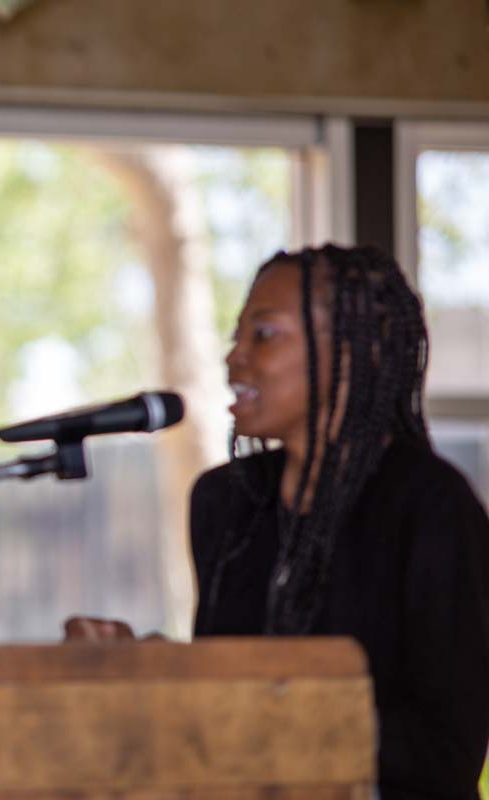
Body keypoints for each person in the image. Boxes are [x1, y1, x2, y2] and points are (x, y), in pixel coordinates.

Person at [66, 244, 489, 799]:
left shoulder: (429, 504)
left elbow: (447, 751)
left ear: (352, 352)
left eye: (263, 335)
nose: (234, 358)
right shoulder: (227, 500)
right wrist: (148, 666)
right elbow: (227, 698)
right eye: (235, 337)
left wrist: (273, 708)